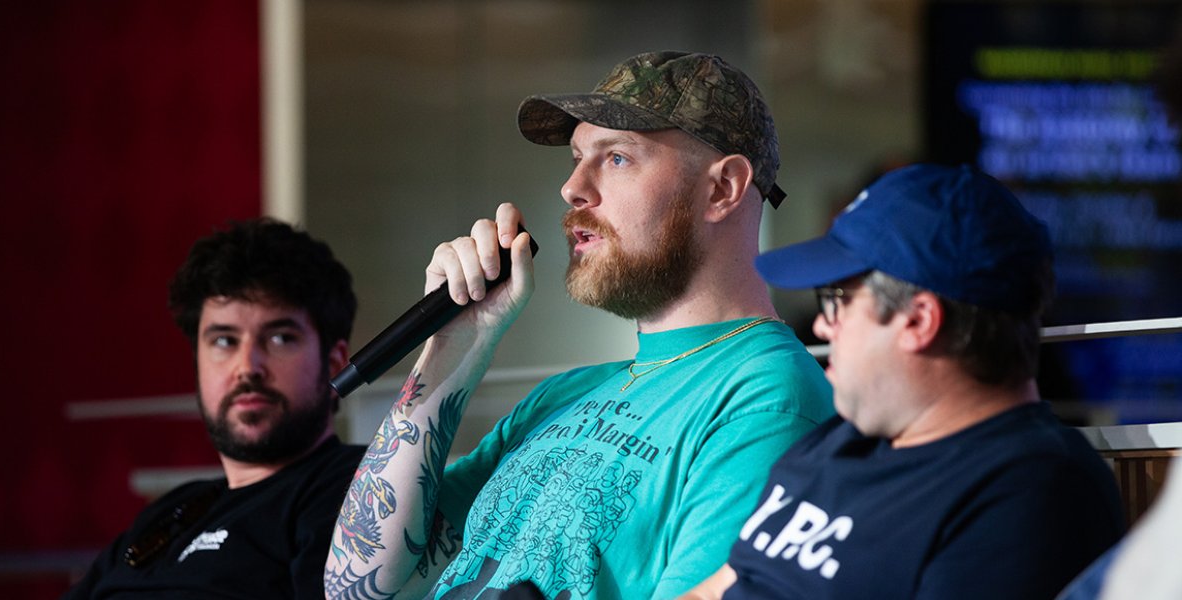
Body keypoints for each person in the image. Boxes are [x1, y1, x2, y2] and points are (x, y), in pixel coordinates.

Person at [323, 51, 833, 599]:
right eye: (575, 157)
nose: (572, 188)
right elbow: (356, 584)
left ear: (722, 189)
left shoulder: (767, 398)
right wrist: (452, 350)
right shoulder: (562, 396)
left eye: (616, 158)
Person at [683, 163, 1126, 599]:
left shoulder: (1030, 495)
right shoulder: (840, 440)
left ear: (918, 320)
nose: (822, 326)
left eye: (838, 300)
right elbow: (719, 588)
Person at [65, 218, 367, 598]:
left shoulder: (352, 486)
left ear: (335, 363)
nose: (248, 367)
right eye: (224, 341)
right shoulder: (172, 510)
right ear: (197, 362)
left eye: (279, 337)